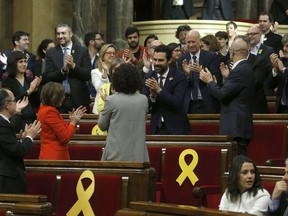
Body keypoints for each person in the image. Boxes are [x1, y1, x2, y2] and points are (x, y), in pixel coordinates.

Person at [199, 36, 254, 155]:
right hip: (239, 125)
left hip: (236, 126)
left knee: (238, 163)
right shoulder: (245, 67)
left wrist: (209, 81)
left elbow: (222, 95)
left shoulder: (240, 70)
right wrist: (228, 78)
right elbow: (236, 91)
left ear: (232, 52)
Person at [98, 64, 149, 162]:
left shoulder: (111, 100)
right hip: (139, 155)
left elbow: (102, 125)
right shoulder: (143, 100)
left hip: (115, 154)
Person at [43, 23, 91, 113]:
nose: (60, 36)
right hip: (57, 100)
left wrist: (73, 66)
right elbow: (48, 77)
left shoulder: (82, 51)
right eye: (58, 34)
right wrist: (63, 70)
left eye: (63, 33)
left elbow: (87, 75)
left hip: (79, 101)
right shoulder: (51, 53)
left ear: (71, 34)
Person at [143, 45, 191, 135]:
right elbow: (144, 104)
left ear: (169, 61)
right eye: (155, 59)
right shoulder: (149, 76)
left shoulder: (179, 76)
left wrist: (159, 90)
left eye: (161, 60)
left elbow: (177, 102)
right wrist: (152, 96)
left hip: (176, 128)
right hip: (156, 127)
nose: (156, 63)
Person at [0, 88, 41, 194]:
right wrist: (30, 137)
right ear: (7, 105)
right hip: (7, 180)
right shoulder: (2, 124)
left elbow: (7, 146)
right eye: (14, 100)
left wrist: (22, 140)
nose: (16, 102)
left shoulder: (4, 123)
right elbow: (18, 151)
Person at [37, 82, 86, 160]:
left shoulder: (45, 110)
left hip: (52, 155)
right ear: (54, 97)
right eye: (61, 95)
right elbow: (64, 138)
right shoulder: (49, 112)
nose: (63, 98)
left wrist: (71, 121)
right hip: (54, 157)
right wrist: (73, 123)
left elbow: (59, 130)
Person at [178, 30, 221, 114]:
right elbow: (179, 84)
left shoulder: (211, 56)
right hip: (188, 104)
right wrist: (186, 75)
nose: (191, 45)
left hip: (206, 103)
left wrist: (200, 71)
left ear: (200, 41)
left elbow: (216, 79)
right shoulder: (182, 59)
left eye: (193, 42)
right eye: (188, 42)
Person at [2, 51, 42, 133]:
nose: (24, 64)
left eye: (25, 61)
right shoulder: (7, 81)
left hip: (31, 119)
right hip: (16, 119)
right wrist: (29, 91)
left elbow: (37, 103)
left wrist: (36, 89)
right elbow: (9, 102)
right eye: (21, 62)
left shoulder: (30, 80)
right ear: (13, 63)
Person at [91, 44, 116, 114]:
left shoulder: (118, 71)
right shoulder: (95, 72)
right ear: (102, 55)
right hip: (101, 108)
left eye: (114, 53)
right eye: (109, 53)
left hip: (116, 107)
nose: (112, 55)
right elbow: (100, 88)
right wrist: (105, 72)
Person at [267, 33, 288, 113]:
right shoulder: (283, 61)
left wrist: (283, 69)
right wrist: (275, 70)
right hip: (282, 109)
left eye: (287, 46)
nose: (284, 49)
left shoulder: (282, 65)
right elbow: (270, 85)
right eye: (284, 46)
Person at [84, 32, 104, 98]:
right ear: (91, 42)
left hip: (98, 95)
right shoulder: (82, 58)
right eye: (99, 39)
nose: (102, 41)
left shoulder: (101, 59)